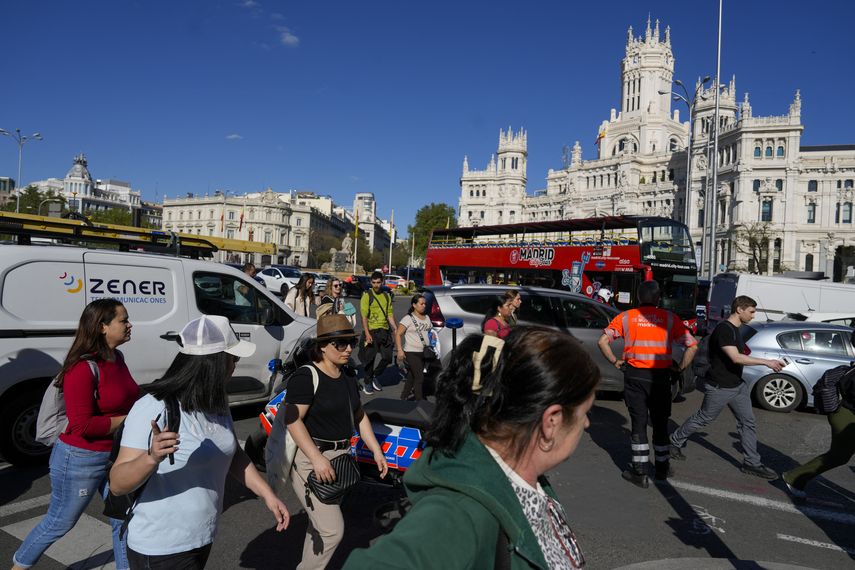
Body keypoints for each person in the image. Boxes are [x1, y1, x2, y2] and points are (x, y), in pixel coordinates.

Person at [344, 327, 599, 569]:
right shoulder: (460, 515)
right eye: (584, 412)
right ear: (551, 421)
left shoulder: (527, 480)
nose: (586, 423)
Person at [109, 315, 288, 569]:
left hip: (201, 538)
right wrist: (152, 457)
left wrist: (268, 495)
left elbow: (232, 454)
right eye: (233, 358)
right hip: (161, 547)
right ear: (212, 363)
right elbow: (117, 484)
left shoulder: (216, 402)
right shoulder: (152, 407)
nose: (235, 365)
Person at [13, 299, 139, 570]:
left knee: (124, 518)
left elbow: (126, 397)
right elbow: (81, 426)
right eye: (123, 320)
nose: (130, 325)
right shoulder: (82, 368)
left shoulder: (118, 358)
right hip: (80, 458)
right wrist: (129, 419)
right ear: (103, 327)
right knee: (60, 522)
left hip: (117, 454)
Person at [283, 314, 389, 569]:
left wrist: (376, 450)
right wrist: (317, 459)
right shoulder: (306, 377)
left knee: (319, 527)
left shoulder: (347, 377)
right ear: (321, 346)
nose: (348, 348)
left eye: (350, 342)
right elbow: (293, 420)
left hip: (340, 461)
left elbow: (359, 415)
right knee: (332, 530)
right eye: (340, 344)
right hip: (312, 459)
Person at [669, 295, 784, 480]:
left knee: (748, 422)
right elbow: (735, 357)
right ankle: (674, 441)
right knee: (704, 418)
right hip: (720, 386)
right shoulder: (724, 329)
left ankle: (751, 463)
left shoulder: (735, 329)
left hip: (737, 385)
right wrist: (766, 362)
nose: (753, 316)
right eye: (751, 312)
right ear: (740, 310)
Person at [597, 280, 698, 488]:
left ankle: (639, 472)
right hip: (661, 378)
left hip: (635, 377)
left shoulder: (626, 317)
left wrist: (616, 362)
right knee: (660, 424)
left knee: (639, 423)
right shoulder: (670, 318)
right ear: (658, 298)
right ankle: (662, 468)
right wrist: (679, 369)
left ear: (638, 298)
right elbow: (692, 346)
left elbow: (602, 341)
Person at [783, 335, 855, 498]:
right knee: (838, 456)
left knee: (839, 456)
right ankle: (794, 477)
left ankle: (795, 477)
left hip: (846, 414)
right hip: (847, 417)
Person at [360, 270, 397, 394]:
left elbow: (389, 314)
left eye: (378, 282)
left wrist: (395, 328)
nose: (376, 285)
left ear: (382, 282)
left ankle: (375, 375)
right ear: (371, 282)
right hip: (371, 331)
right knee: (369, 359)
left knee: (387, 357)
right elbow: (364, 316)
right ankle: (367, 382)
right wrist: (367, 333)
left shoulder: (386, 296)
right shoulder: (367, 295)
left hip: (384, 331)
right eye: (374, 282)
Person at [394, 293, 435, 401]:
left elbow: (430, 332)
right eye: (421, 304)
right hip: (411, 352)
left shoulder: (427, 318)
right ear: (414, 305)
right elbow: (398, 334)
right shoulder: (408, 318)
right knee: (419, 377)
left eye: (425, 304)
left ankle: (403, 398)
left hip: (424, 352)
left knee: (412, 376)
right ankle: (419, 402)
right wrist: (399, 350)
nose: (424, 306)